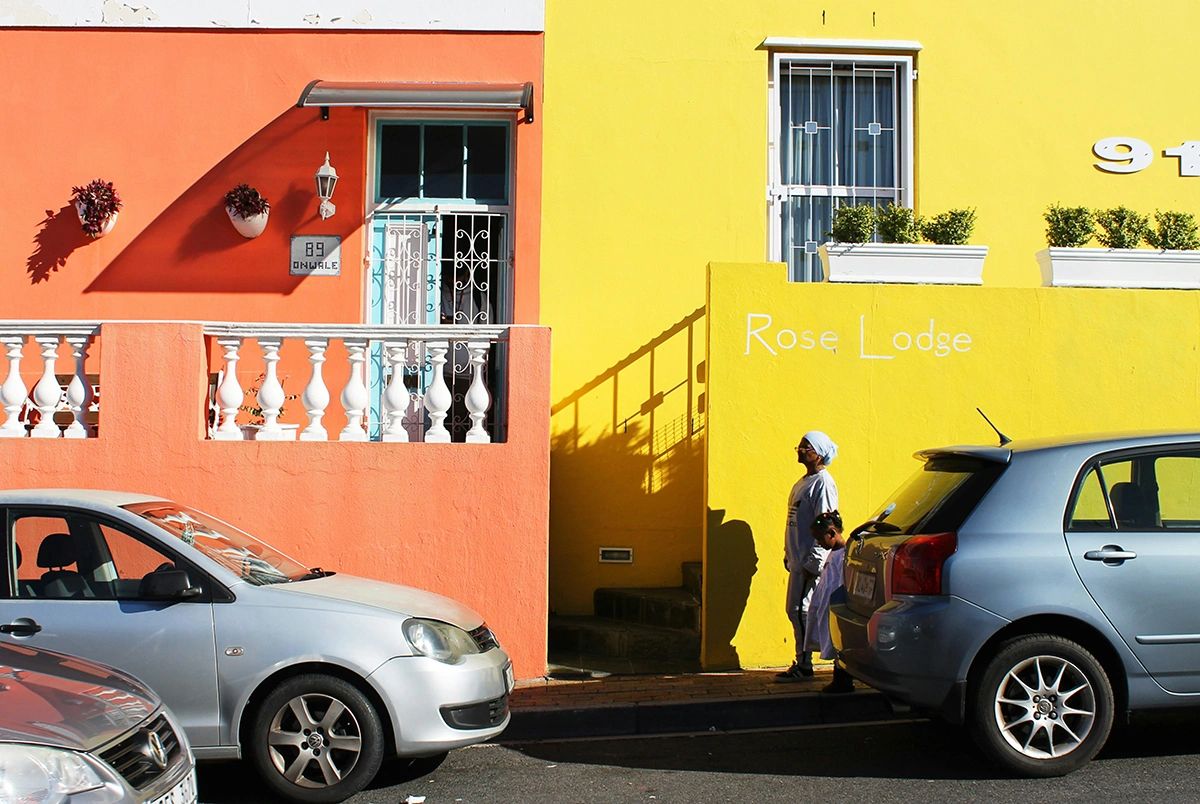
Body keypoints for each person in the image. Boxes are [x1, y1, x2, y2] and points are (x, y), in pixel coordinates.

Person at [775, 430, 839, 682]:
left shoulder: (823, 483)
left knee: (801, 609)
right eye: (799, 445)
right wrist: (788, 552)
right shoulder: (803, 482)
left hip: (809, 561)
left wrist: (816, 559)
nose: (800, 450)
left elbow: (826, 522)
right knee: (795, 609)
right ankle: (804, 661)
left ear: (818, 453)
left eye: (806, 447)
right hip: (797, 559)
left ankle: (804, 663)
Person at [804, 510, 855, 693]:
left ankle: (843, 680)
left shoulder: (843, 556)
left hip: (836, 607)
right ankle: (841, 679)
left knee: (838, 641)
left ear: (832, 533)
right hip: (829, 606)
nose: (818, 542)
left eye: (820, 538)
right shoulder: (835, 554)